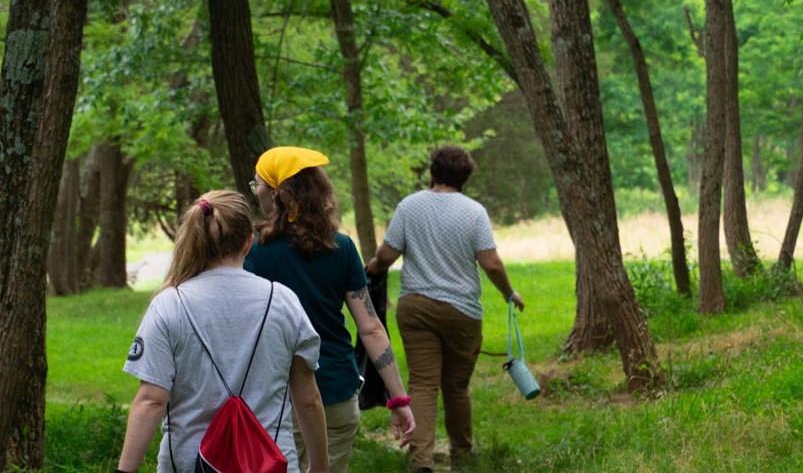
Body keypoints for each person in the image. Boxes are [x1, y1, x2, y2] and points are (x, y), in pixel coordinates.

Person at [117, 190, 329, 473]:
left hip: (189, 464)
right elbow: (309, 399)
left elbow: (151, 401)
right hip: (269, 463)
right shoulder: (283, 301)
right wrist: (320, 466)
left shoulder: (169, 305)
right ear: (248, 242)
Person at [246, 146, 416, 473]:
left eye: (259, 185)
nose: (258, 193)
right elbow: (371, 328)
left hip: (278, 396)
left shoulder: (255, 251)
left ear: (277, 192)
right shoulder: (341, 247)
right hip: (336, 394)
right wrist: (398, 399)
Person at [366, 145, 525, 473]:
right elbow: (491, 263)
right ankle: (463, 460)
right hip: (462, 312)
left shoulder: (409, 206)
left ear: (433, 172)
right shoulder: (474, 212)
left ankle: (421, 463)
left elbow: (386, 256)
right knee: (456, 386)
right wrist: (510, 293)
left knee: (422, 383)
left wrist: (371, 270)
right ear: (464, 177)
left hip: (416, 308)